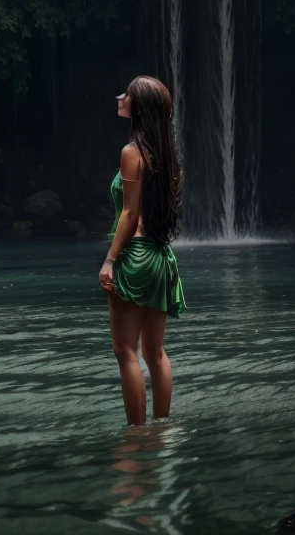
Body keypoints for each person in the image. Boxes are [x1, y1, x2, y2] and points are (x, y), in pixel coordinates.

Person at [97, 75, 186, 425]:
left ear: (140, 106)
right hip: (161, 257)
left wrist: (109, 260)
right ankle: (162, 428)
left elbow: (130, 213)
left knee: (125, 353)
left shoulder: (131, 153)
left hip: (135, 257)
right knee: (155, 352)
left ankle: (136, 436)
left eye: (128, 94)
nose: (121, 97)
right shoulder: (163, 153)